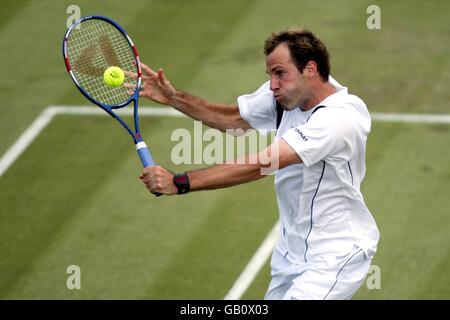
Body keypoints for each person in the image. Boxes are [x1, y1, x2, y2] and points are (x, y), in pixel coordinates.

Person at [134, 28, 379, 300]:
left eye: (280, 73)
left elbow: (263, 163)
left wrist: (180, 182)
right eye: (271, 75)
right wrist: (174, 98)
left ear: (310, 69)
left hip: (335, 254)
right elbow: (233, 119)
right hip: (291, 252)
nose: (273, 84)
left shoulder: (339, 118)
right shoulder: (288, 95)